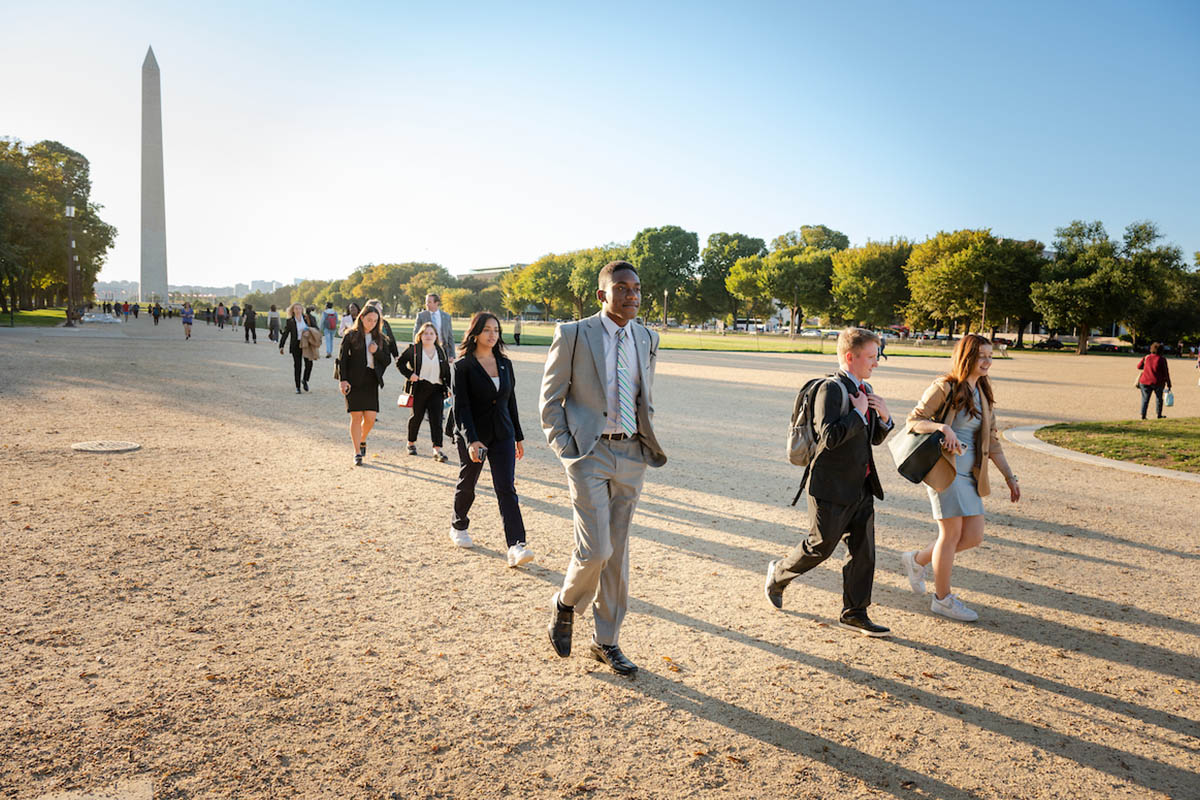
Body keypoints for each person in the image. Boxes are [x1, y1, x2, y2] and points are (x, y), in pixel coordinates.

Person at [540, 261, 667, 675]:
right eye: (622, 288)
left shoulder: (648, 338)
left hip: (632, 454)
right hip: (588, 454)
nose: (632, 295)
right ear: (602, 295)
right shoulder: (573, 334)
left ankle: (606, 641)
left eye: (637, 288)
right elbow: (550, 400)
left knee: (618, 553)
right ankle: (565, 603)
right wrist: (567, 449)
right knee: (597, 549)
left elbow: (643, 394)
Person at [763, 327, 895, 637]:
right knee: (819, 546)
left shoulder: (866, 388)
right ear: (851, 357)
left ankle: (854, 612)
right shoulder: (830, 390)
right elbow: (829, 437)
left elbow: (872, 438)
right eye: (872, 357)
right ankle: (779, 573)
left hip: (861, 486)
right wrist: (860, 414)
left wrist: (885, 419)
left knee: (864, 551)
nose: (876, 362)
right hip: (830, 487)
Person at [900, 333, 1020, 622]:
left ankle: (917, 560)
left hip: (971, 475)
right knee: (951, 535)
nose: (988, 361)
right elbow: (913, 421)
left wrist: (1009, 477)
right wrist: (942, 428)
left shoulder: (984, 392)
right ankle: (942, 599)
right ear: (966, 357)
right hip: (945, 470)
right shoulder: (945, 386)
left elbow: (992, 442)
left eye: (990, 356)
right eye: (982, 356)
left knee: (973, 537)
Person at [448, 312, 531, 564]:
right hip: (474, 435)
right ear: (475, 333)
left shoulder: (505, 363)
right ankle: (458, 525)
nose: (493, 334)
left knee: (506, 487)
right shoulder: (462, 367)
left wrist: (518, 436)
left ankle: (516, 545)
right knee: (469, 480)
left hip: (503, 435)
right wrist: (472, 440)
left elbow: (510, 401)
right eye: (487, 330)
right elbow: (461, 407)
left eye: (496, 329)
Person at [337, 305, 390, 466]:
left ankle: (362, 439)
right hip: (353, 381)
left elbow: (386, 360)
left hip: (371, 380)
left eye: (375, 320)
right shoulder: (350, 336)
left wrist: (377, 352)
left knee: (370, 418)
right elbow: (342, 360)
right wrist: (343, 380)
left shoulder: (380, 338)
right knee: (356, 416)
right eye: (369, 320)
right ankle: (357, 452)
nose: (372, 323)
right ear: (361, 318)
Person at [398, 322, 451, 462]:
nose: (428, 336)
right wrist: (410, 375)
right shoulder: (414, 350)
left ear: (436, 336)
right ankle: (411, 443)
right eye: (425, 333)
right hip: (420, 387)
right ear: (420, 335)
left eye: (431, 333)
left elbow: (446, 370)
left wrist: (449, 387)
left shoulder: (440, 350)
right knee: (417, 417)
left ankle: (437, 449)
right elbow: (400, 363)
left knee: (437, 420)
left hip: (437, 389)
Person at [279, 303, 316, 394]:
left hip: (306, 344)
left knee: (309, 364)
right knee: (297, 366)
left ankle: (305, 380)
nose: (298, 310)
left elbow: (315, 328)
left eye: (299, 308)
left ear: (302, 310)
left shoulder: (306, 319)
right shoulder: (290, 321)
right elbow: (286, 334)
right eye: (296, 308)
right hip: (296, 345)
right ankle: (298, 387)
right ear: (293, 310)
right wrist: (281, 345)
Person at [1136, 342, 1172, 420]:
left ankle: (1143, 415)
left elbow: (1139, 367)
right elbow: (1166, 372)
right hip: (1158, 382)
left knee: (1145, 399)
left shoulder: (1146, 357)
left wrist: (1147, 367)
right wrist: (1169, 383)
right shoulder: (1162, 359)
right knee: (1159, 399)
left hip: (1145, 381)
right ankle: (1159, 414)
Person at [413, 293, 455, 358]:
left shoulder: (446, 317)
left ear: (436, 303)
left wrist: (452, 354)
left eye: (429, 302)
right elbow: (416, 334)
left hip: (443, 350)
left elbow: (450, 336)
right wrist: (416, 351)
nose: (426, 304)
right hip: (426, 350)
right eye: (426, 302)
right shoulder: (421, 316)